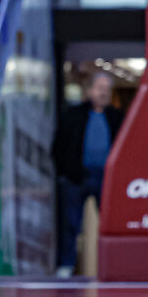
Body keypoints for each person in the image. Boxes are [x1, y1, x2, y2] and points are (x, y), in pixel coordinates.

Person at [52, 72, 123, 278]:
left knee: (110, 225)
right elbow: (58, 147)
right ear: (89, 90)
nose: (103, 93)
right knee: (71, 224)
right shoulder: (73, 115)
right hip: (77, 178)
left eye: (107, 90)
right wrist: (65, 173)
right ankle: (66, 265)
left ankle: (112, 266)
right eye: (100, 88)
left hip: (107, 180)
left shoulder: (116, 116)